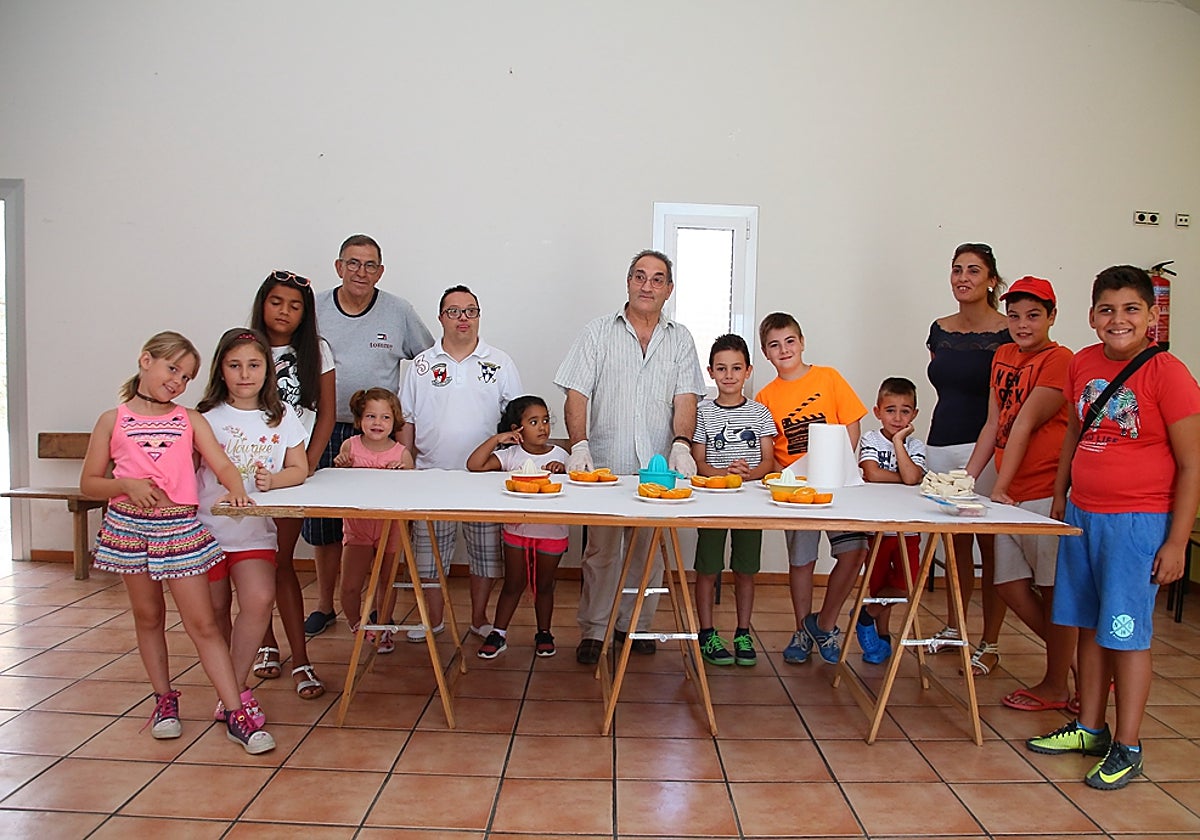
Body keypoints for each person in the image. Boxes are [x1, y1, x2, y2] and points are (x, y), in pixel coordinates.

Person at [1027, 266, 1200, 789]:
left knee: (1125, 636)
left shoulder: (1167, 373)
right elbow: (1074, 434)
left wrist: (1175, 542)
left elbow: (1192, 463)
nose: (1117, 319)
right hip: (1084, 516)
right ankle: (1090, 727)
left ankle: (1128, 745)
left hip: (1138, 524)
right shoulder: (1082, 363)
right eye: (1107, 309)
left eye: (1130, 309)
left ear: (1150, 316)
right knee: (1087, 626)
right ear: (1091, 316)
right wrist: (1061, 492)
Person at [79, 331, 275, 754]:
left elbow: (221, 461)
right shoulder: (112, 420)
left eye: (186, 377)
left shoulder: (189, 420)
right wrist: (126, 484)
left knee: (203, 623)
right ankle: (163, 700)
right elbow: (89, 482)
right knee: (148, 616)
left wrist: (235, 487)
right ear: (145, 360)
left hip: (179, 527)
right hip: (129, 527)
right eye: (172, 370)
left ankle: (234, 708)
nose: (177, 382)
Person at [554, 250, 706, 665]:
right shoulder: (597, 333)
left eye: (657, 279)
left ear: (668, 289)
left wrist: (680, 442)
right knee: (601, 553)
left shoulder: (680, 338)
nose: (647, 285)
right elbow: (576, 393)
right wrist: (579, 444)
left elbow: (686, 396)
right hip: (603, 462)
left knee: (647, 552)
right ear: (627, 282)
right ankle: (596, 630)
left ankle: (635, 625)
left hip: (657, 466)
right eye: (640, 276)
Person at [305, 235, 433, 637]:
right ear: (338, 266)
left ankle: (381, 612)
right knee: (326, 527)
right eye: (353, 263)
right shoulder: (315, 308)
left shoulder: (398, 311)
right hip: (324, 428)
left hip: (380, 437)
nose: (362, 272)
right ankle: (327, 605)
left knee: (384, 529)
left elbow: (428, 360)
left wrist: (407, 432)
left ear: (381, 271)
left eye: (370, 265)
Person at [961, 277, 1077, 707]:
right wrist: (968, 479)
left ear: (1051, 316)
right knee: (1008, 583)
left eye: (1033, 316)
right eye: (1014, 316)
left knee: (1052, 590)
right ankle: (1083, 667)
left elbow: (1027, 422)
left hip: (1044, 490)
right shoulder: (1004, 355)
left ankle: (1060, 680)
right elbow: (996, 422)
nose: (1022, 325)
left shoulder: (1061, 360)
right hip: (1007, 491)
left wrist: (1001, 489)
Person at [196, 328, 309, 725]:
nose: (245, 374)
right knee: (214, 612)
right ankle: (230, 694)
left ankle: (235, 688)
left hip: (254, 533)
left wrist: (274, 481)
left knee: (259, 600)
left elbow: (300, 468)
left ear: (268, 370)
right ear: (221, 370)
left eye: (254, 365)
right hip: (205, 533)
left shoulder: (281, 417)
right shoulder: (204, 418)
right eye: (235, 365)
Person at [399, 285, 522, 641]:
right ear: (440, 318)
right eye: (454, 311)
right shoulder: (422, 365)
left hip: (483, 480)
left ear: (479, 316)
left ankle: (479, 618)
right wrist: (407, 467)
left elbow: (514, 419)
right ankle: (432, 619)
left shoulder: (499, 362)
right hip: (430, 478)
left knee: (485, 556)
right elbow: (407, 419)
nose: (463, 318)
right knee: (429, 557)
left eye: (470, 311)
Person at [754, 312, 869, 666]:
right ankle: (801, 631)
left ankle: (824, 623)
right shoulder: (765, 396)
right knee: (802, 562)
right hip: (797, 491)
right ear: (765, 353)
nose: (784, 349)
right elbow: (771, 452)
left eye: (789, 341)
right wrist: (785, 480)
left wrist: (837, 467)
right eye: (774, 345)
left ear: (802, 342)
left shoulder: (828, 378)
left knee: (855, 552)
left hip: (838, 486)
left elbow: (852, 425)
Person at [925, 242, 1012, 676]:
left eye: (973, 270)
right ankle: (955, 627)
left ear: (991, 279)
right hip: (940, 445)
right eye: (956, 269)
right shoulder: (940, 328)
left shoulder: (1006, 330)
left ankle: (990, 641)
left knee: (991, 549)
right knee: (955, 546)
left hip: (987, 449)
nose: (963, 277)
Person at [249, 270, 333, 699]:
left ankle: (300, 657)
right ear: (263, 303)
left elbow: (326, 414)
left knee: (280, 560)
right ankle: (265, 643)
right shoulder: (243, 347)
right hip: (246, 475)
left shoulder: (316, 351)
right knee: (252, 562)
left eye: (295, 305)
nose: (284, 311)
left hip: (292, 475)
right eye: (277, 302)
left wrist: (309, 464)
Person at [690, 334, 776, 666]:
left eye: (736, 368)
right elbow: (698, 460)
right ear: (710, 372)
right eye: (722, 368)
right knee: (708, 568)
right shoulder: (703, 413)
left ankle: (742, 631)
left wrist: (748, 475)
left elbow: (768, 460)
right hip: (713, 502)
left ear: (748, 371)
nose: (729, 375)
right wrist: (723, 474)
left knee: (745, 570)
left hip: (749, 505)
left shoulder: (759, 412)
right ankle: (707, 633)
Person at [466, 395, 569, 658]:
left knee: (545, 585)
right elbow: (474, 465)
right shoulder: (510, 455)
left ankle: (544, 632)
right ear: (517, 429)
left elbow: (574, 485)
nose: (543, 427)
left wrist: (562, 470)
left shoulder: (561, 456)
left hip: (552, 534)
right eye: (533, 421)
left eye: (545, 420)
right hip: (516, 533)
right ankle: (498, 632)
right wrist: (497, 439)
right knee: (513, 583)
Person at [331, 387, 414, 652]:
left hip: (391, 528)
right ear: (359, 419)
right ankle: (357, 625)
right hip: (357, 528)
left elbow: (413, 494)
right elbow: (339, 484)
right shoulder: (350, 446)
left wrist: (403, 474)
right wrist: (341, 465)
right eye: (370, 416)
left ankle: (384, 626)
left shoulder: (401, 453)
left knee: (387, 583)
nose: (377, 423)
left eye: (385, 417)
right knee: (350, 586)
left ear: (395, 420)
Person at [856, 376, 927, 664]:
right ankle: (881, 635)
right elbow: (872, 473)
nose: (897, 418)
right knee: (878, 586)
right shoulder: (870, 439)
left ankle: (864, 616)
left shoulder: (917, 444)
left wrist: (898, 442)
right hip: (877, 527)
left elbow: (912, 478)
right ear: (877, 412)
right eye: (890, 410)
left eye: (905, 411)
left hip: (908, 528)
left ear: (915, 415)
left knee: (906, 583)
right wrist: (905, 479)